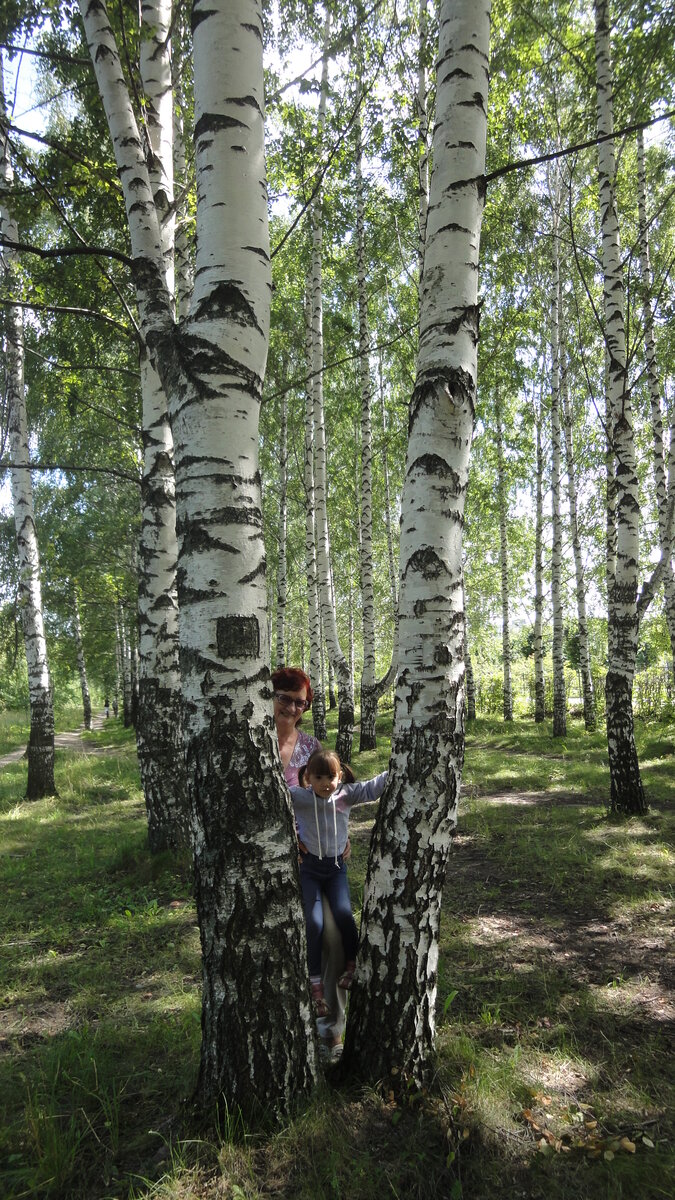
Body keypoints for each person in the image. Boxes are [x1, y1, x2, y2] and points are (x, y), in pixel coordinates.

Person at [271, 667, 346, 1057]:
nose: (293, 708)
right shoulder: (254, 740)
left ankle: (330, 1028)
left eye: (301, 702)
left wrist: (341, 839)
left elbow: (330, 798)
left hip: (311, 861)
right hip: (264, 861)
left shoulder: (311, 747)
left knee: (333, 934)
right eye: (285, 697)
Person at [290, 748, 387, 1017]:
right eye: (318, 777)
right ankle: (315, 984)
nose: (325, 783)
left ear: (340, 776)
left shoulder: (345, 794)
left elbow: (371, 789)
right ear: (308, 778)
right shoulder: (302, 798)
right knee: (315, 923)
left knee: (345, 914)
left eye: (330, 777)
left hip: (335, 871)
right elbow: (275, 798)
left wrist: (398, 767)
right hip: (309, 870)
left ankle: (352, 965)